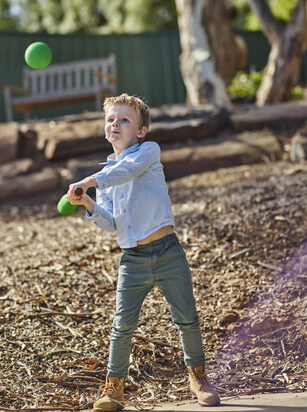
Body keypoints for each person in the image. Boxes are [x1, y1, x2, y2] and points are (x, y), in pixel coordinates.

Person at [66, 94, 220, 411]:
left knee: (187, 319)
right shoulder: (105, 176)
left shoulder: (148, 152)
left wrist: (87, 181)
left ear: (141, 131)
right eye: (111, 119)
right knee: (122, 326)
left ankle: (199, 378)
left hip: (168, 252)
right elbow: (110, 224)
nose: (115, 124)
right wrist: (89, 203)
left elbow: (126, 171)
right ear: (105, 128)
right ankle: (114, 390)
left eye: (124, 119)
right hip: (132, 259)